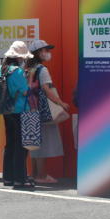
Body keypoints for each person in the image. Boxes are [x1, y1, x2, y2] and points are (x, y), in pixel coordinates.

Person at [26, 39, 68, 185]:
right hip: (42, 110)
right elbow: (47, 89)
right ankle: (42, 175)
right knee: (43, 143)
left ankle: (35, 174)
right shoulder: (42, 70)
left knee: (34, 143)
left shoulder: (26, 68)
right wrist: (60, 102)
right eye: (45, 50)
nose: (48, 53)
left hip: (29, 108)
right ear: (38, 53)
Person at [0, 42, 30, 188]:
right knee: (20, 146)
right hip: (19, 110)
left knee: (10, 144)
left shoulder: (1, 69)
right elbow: (25, 91)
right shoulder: (18, 72)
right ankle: (20, 178)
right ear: (19, 58)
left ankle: (8, 178)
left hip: (6, 110)